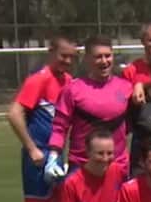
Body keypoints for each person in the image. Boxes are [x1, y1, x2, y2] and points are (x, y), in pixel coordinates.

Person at [6, 34, 76, 202]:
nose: (67, 61)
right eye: (63, 56)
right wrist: (32, 148)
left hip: (59, 157)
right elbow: (13, 113)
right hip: (41, 158)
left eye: (72, 57)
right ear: (51, 52)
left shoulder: (68, 81)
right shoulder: (40, 79)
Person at [47, 35, 135, 179]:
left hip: (118, 168)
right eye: (98, 57)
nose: (104, 61)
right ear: (87, 59)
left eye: (108, 56)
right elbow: (59, 127)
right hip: (82, 167)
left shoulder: (126, 88)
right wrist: (53, 157)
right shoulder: (72, 90)